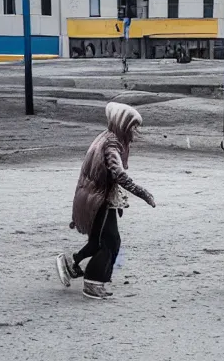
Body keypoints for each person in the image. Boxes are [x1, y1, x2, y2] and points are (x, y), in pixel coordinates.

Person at [56, 102, 156, 299]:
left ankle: (71, 264)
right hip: (98, 200)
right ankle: (93, 282)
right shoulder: (112, 145)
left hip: (96, 197)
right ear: (123, 124)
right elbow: (119, 175)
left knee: (98, 241)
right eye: (134, 127)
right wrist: (144, 194)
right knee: (110, 242)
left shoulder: (108, 137)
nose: (137, 132)